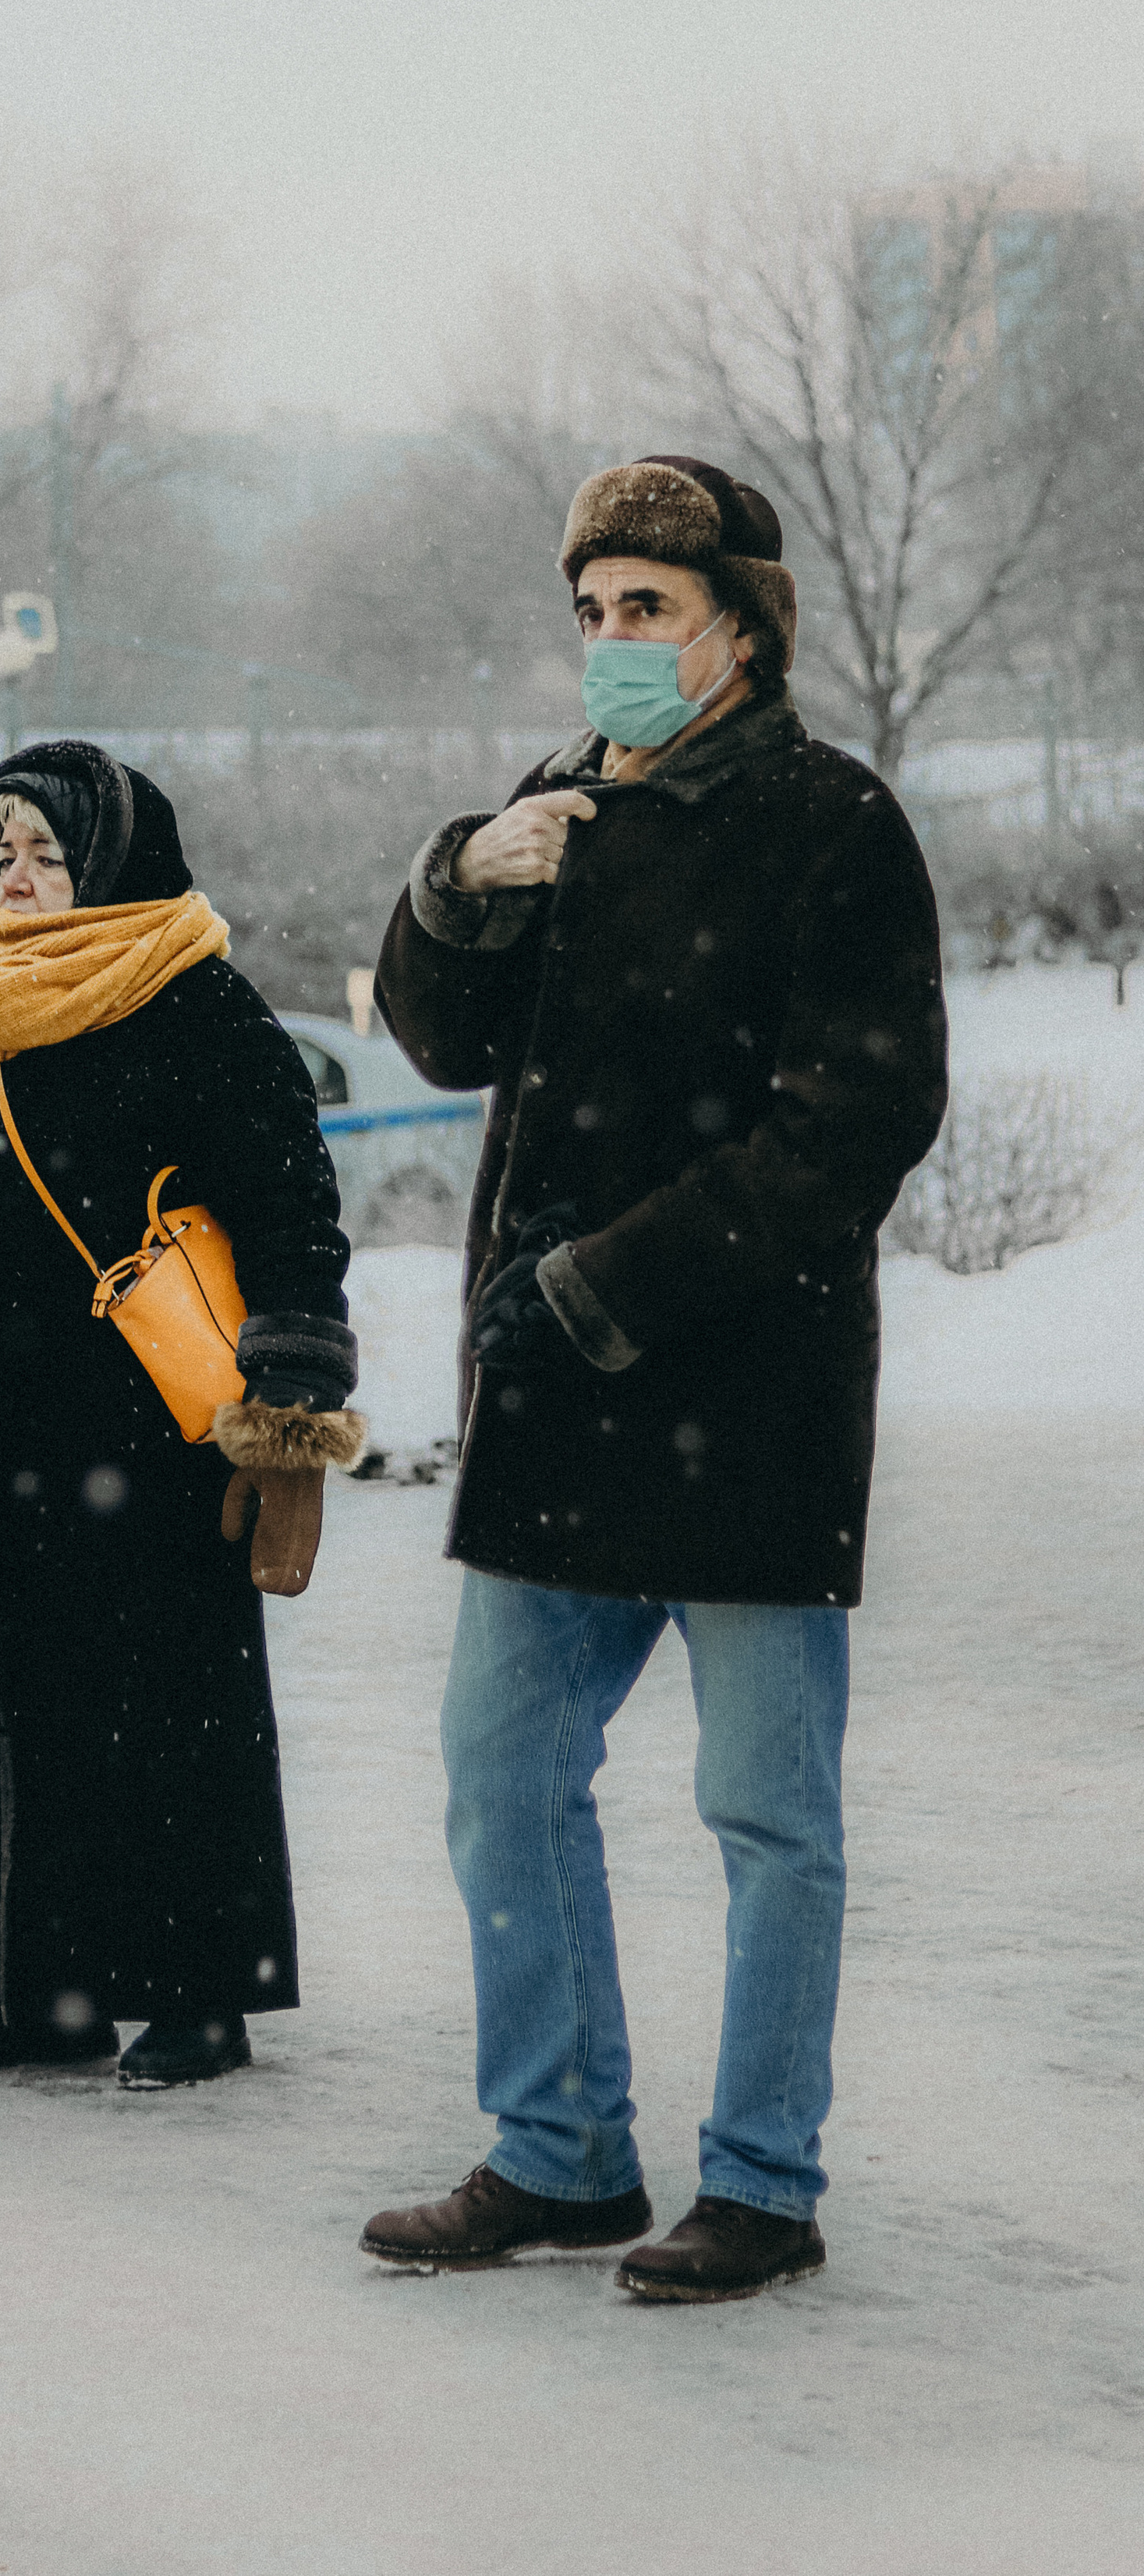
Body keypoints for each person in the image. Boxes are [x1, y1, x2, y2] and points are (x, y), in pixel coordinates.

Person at [359, 457, 947, 2301]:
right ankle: (555, 2151)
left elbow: (855, 1117)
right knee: (499, 1776)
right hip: (553, 1396)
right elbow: (443, 1037)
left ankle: (760, 2181)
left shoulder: (830, 822)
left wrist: (613, 1284)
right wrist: (460, 884)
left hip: (743, 1391)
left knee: (767, 1815)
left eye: (647, 612)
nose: (609, 645)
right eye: (590, 611)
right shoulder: (557, 805)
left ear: (740, 628)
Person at [0, 740, 366, 2088]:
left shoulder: (204, 1008)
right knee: (21, 1718)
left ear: (114, 862)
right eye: (2, 850)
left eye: (46, 852)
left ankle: (204, 1990)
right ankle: (46, 1989)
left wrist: (294, 1412)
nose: (17, 877)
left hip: (160, 1442)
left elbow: (296, 1217)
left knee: (175, 1713)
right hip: (4, 1439)